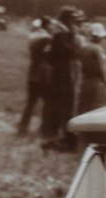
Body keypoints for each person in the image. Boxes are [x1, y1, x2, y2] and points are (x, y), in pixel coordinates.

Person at [46, 6, 84, 151]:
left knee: (63, 104)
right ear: (66, 19)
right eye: (72, 19)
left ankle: (58, 133)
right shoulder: (61, 33)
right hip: (62, 73)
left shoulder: (63, 32)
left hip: (63, 72)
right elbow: (70, 50)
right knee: (65, 104)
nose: (74, 22)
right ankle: (62, 136)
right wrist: (74, 38)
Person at [17, 17, 54, 137]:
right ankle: (44, 129)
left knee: (30, 103)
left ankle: (22, 127)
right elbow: (49, 53)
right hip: (43, 75)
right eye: (50, 25)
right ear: (47, 25)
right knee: (48, 103)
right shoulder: (47, 38)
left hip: (33, 73)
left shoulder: (33, 35)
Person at [76, 22, 106, 115]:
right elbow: (102, 67)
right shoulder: (97, 49)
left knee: (83, 108)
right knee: (95, 108)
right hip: (96, 82)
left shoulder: (83, 46)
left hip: (85, 80)